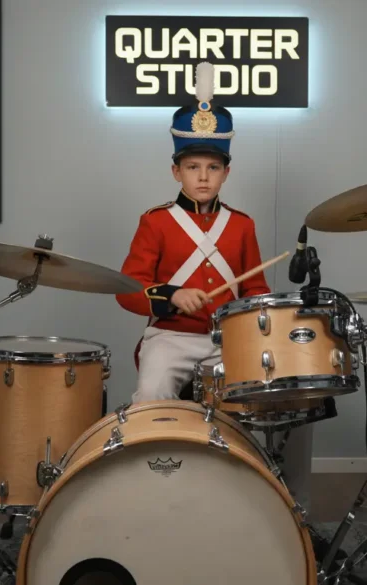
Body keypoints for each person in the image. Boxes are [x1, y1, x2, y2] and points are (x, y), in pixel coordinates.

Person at [115, 62, 314, 514]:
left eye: (212, 167)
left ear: (226, 172)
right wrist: (169, 295)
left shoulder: (242, 226)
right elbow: (127, 290)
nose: (202, 176)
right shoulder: (156, 222)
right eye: (192, 167)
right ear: (176, 171)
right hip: (170, 337)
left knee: (284, 400)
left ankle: (278, 506)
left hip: (228, 342)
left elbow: (255, 291)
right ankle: (155, 499)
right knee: (151, 397)